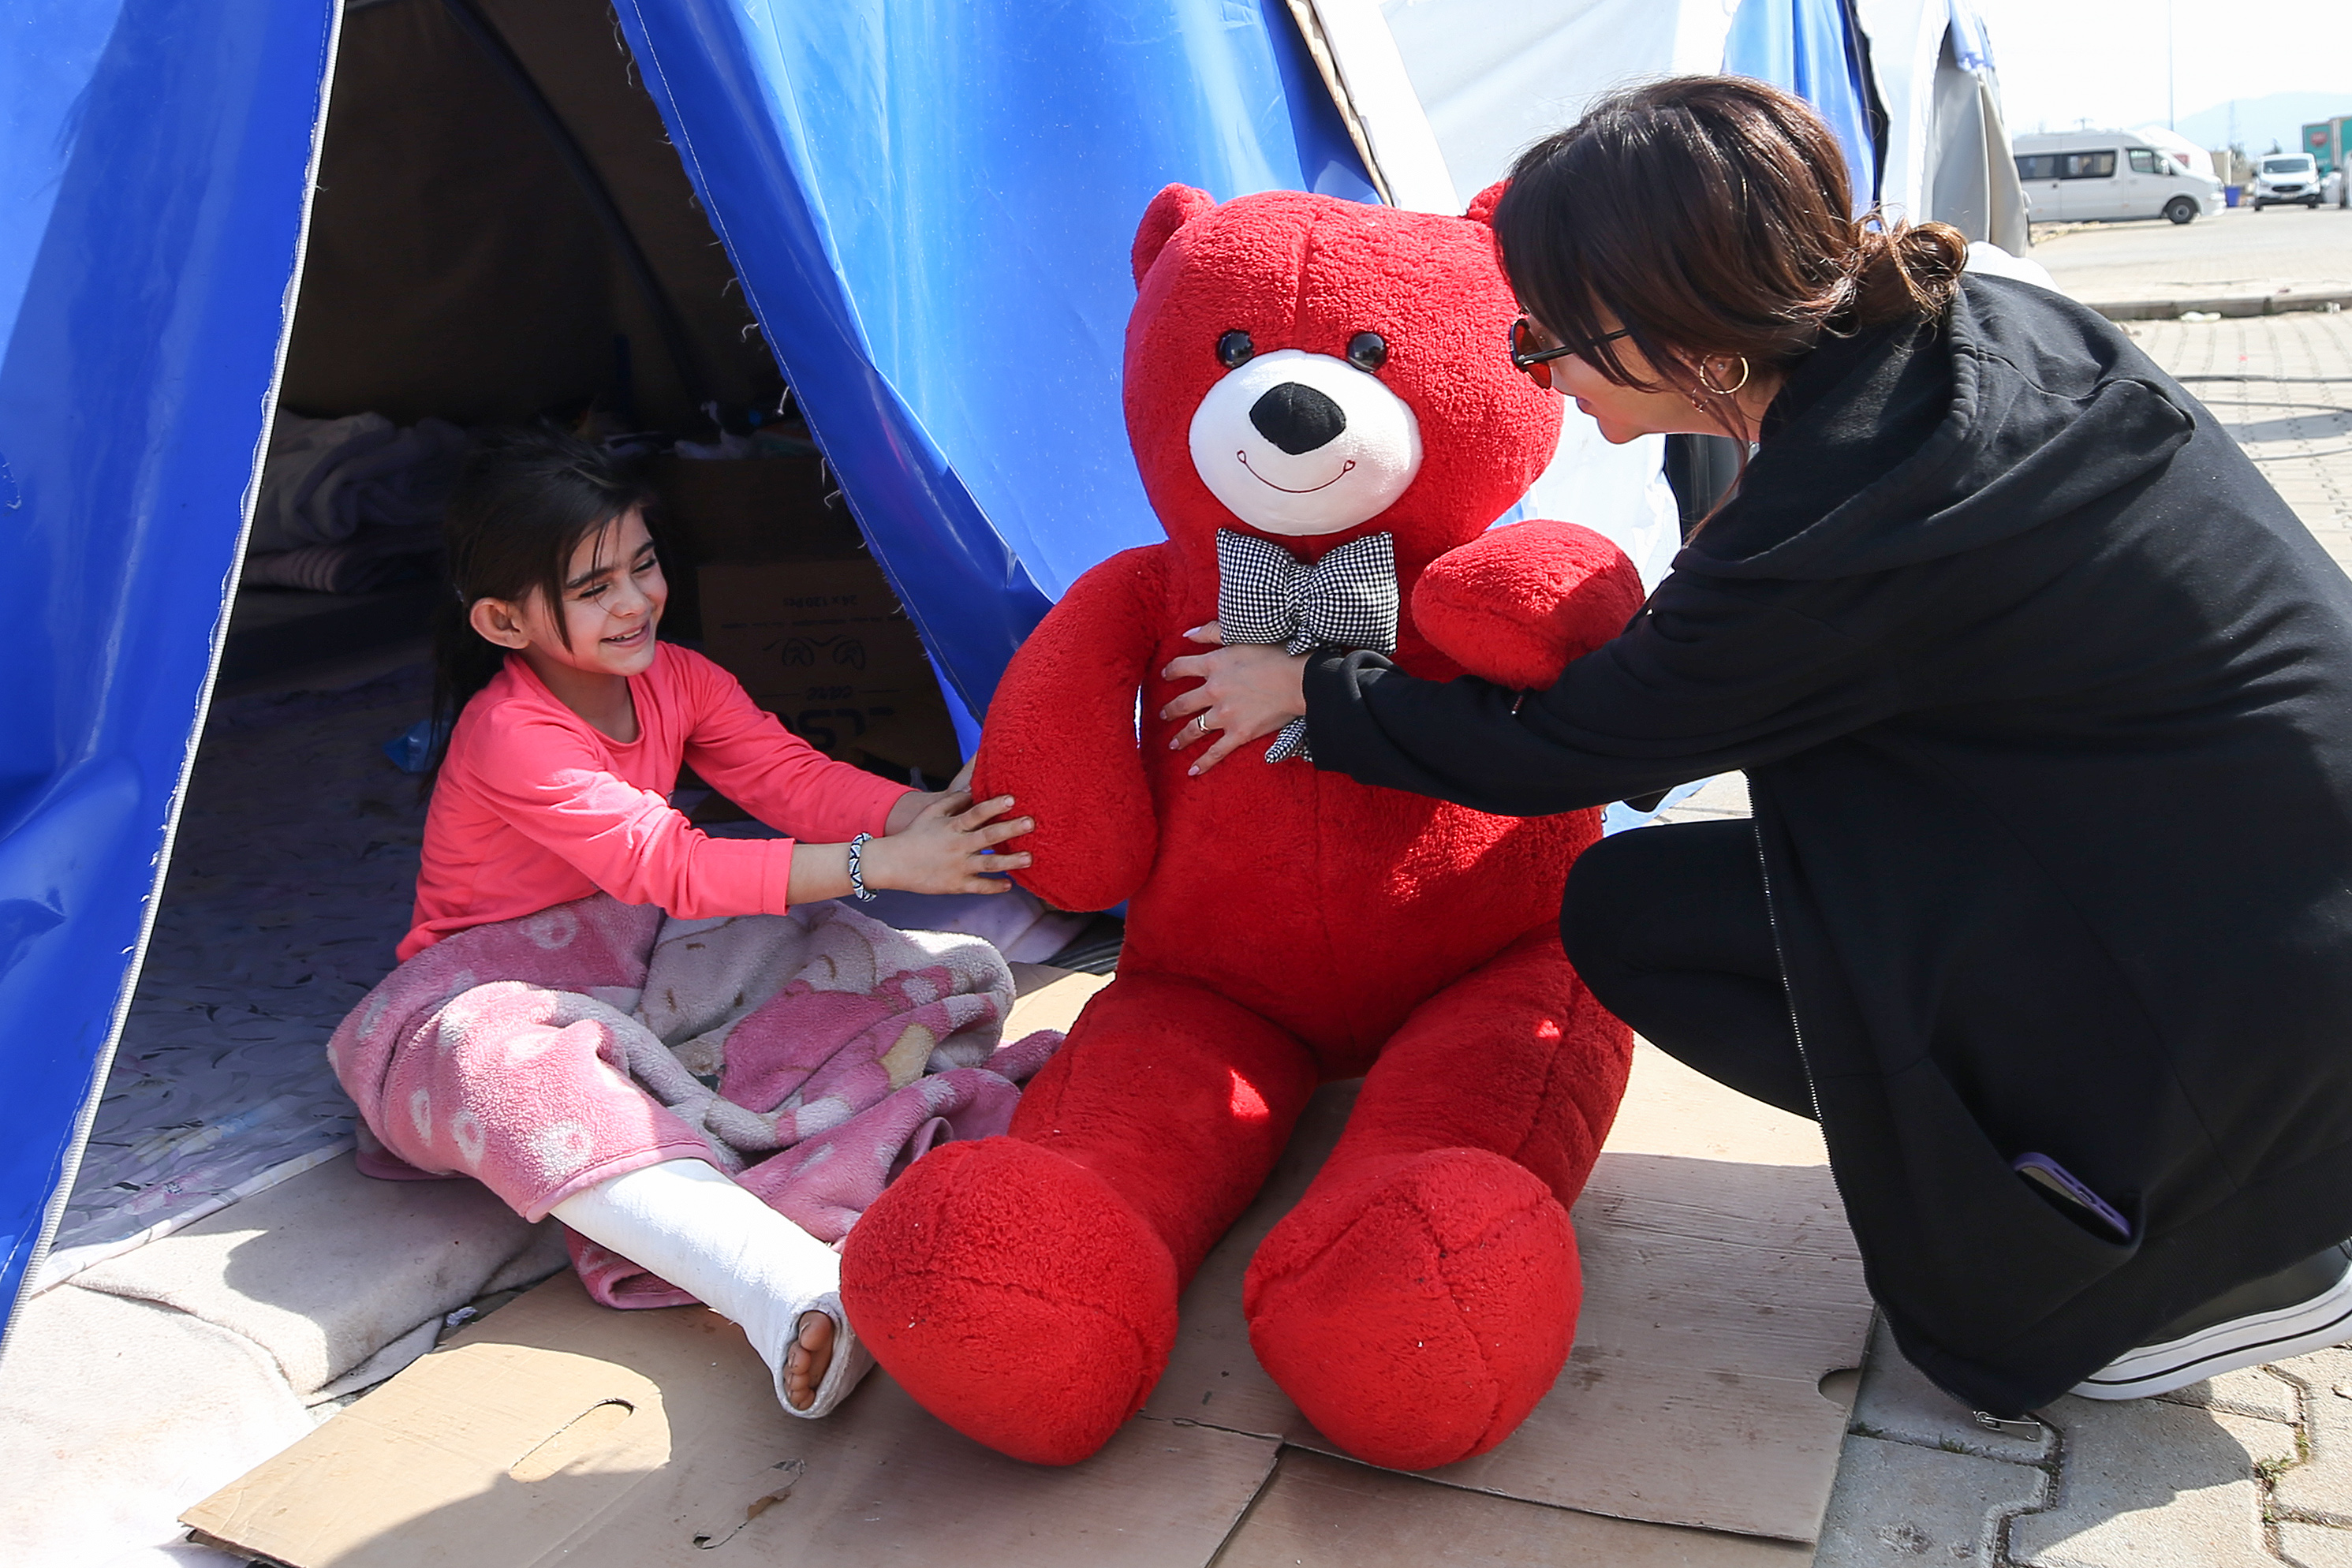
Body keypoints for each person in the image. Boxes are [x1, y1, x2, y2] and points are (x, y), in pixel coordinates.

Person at [1159, 77, 2352, 1421]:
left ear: (1687, 340)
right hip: (2247, 875)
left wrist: (1315, 690)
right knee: (1799, 873)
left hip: (2230, 978)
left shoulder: (1836, 526)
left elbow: (1569, 746)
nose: (1533, 366)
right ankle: (2142, 1157)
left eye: (1547, 332)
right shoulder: (1975, 330)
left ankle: (2164, 1254)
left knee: (1632, 910)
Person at [330, 427, 1033, 1418]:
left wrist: (920, 815)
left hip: (636, 952)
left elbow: (789, 779)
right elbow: (677, 863)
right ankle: (784, 1287)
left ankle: (798, 1179)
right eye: (591, 587)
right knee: (491, 1064)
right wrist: (887, 861)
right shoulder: (509, 733)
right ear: (500, 619)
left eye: (643, 564)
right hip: (483, 984)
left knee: (863, 953)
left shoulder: (680, 678)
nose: (634, 601)